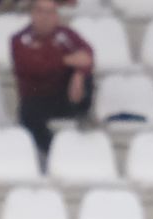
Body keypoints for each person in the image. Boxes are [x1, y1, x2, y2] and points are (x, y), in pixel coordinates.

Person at [10, 0, 94, 155]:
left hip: (63, 96)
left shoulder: (66, 34)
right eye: (40, 11)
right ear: (32, 14)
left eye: (50, 12)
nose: (45, 17)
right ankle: (56, 153)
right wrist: (65, 60)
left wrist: (79, 73)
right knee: (29, 113)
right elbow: (32, 67)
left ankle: (83, 124)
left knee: (86, 79)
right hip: (36, 98)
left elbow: (87, 54)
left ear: (56, 16)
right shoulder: (19, 39)